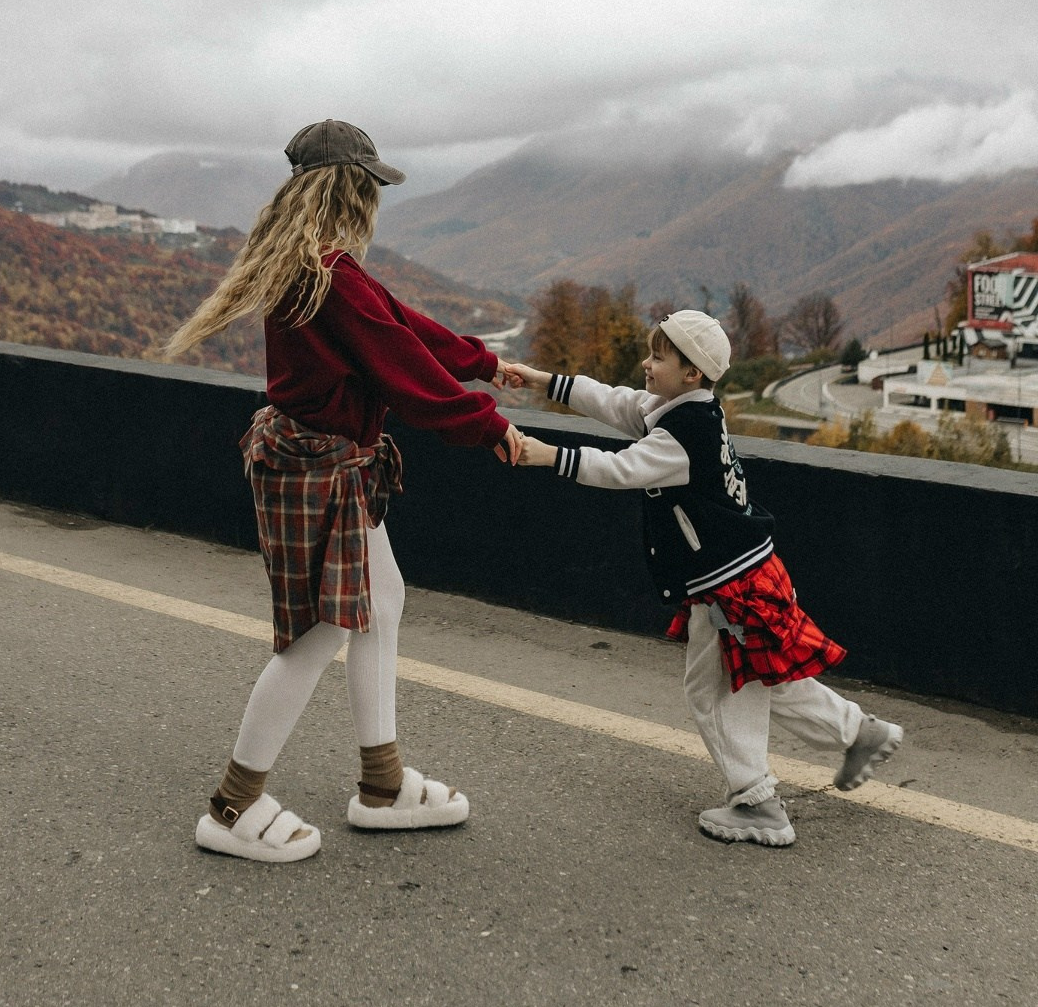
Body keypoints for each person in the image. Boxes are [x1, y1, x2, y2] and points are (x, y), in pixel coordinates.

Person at [166, 119, 523, 863]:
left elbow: (400, 325)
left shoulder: (316, 269)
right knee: (319, 633)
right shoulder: (326, 277)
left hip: (328, 464)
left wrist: (484, 363)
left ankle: (383, 783)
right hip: (318, 469)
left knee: (380, 605)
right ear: (351, 189)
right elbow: (404, 371)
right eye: (371, 187)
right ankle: (233, 806)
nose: (374, 202)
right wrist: (490, 428)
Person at [497, 311, 903, 847]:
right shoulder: (682, 410)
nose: (646, 363)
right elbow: (615, 401)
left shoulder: (681, 435)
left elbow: (623, 469)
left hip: (728, 585)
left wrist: (547, 455)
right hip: (749, 570)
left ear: (692, 373)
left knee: (713, 690)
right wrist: (542, 379)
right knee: (758, 677)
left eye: (658, 356)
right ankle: (858, 732)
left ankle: (757, 801)